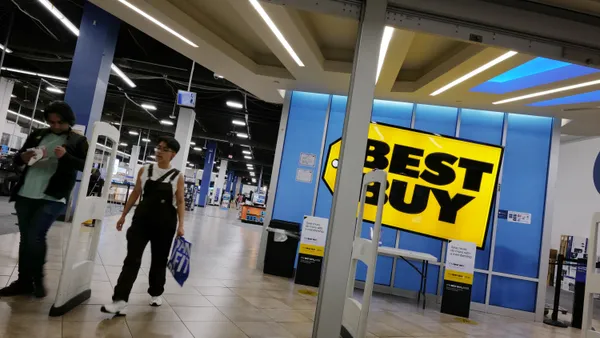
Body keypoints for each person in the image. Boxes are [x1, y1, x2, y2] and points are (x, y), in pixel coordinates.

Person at [0, 101, 88, 298]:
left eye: (60, 122)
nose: (55, 126)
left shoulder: (77, 141)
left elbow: (88, 167)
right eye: (51, 122)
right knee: (26, 239)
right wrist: (22, 158)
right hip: (26, 193)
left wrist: (66, 157)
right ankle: (24, 282)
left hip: (53, 197)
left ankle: (37, 280)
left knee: (35, 236)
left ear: (68, 121)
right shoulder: (38, 135)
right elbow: (18, 159)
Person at [102, 136, 185, 314]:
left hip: (165, 224)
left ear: (173, 154)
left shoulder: (177, 176)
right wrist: (123, 215)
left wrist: (181, 225)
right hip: (141, 222)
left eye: (164, 149)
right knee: (132, 259)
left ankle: (156, 292)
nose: (159, 151)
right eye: (158, 147)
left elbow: (180, 201)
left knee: (159, 261)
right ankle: (120, 300)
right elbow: (135, 193)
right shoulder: (145, 170)